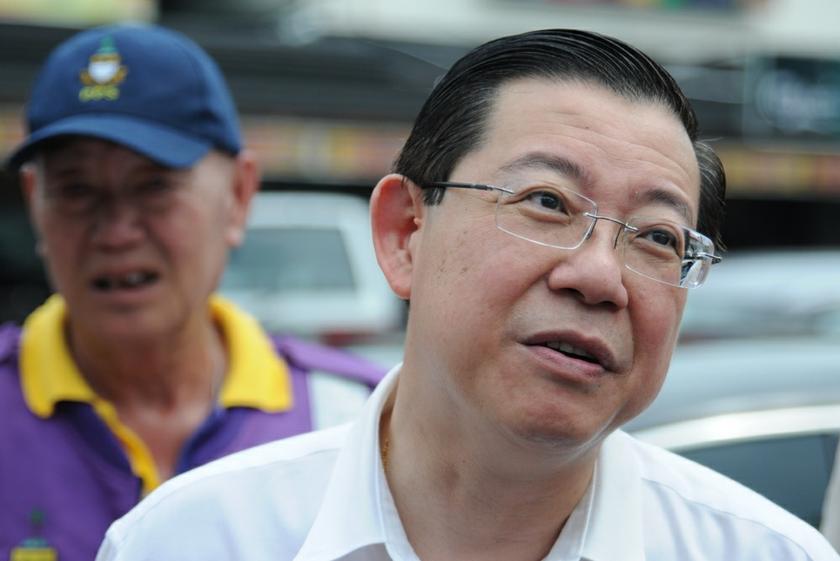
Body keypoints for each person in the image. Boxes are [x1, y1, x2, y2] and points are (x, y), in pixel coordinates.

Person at [96, 28, 839, 560]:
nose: (599, 276)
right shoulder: (192, 538)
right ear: (405, 232)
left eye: (656, 237)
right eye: (548, 203)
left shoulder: (761, 550)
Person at [0, 23, 384, 561]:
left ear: (239, 194)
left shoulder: (357, 422)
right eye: (77, 190)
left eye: (154, 186)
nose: (116, 232)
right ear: (35, 202)